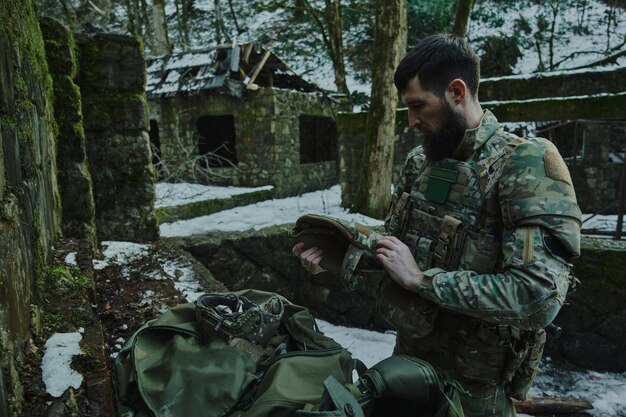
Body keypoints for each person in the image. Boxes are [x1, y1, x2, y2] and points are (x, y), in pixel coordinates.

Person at [293, 34, 581, 417]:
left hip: (473, 395)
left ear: (457, 91)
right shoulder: (420, 161)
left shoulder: (526, 165)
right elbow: (397, 246)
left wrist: (423, 281)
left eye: (417, 106)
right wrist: (344, 251)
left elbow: (536, 296)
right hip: (407, 372)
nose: (410, 121)